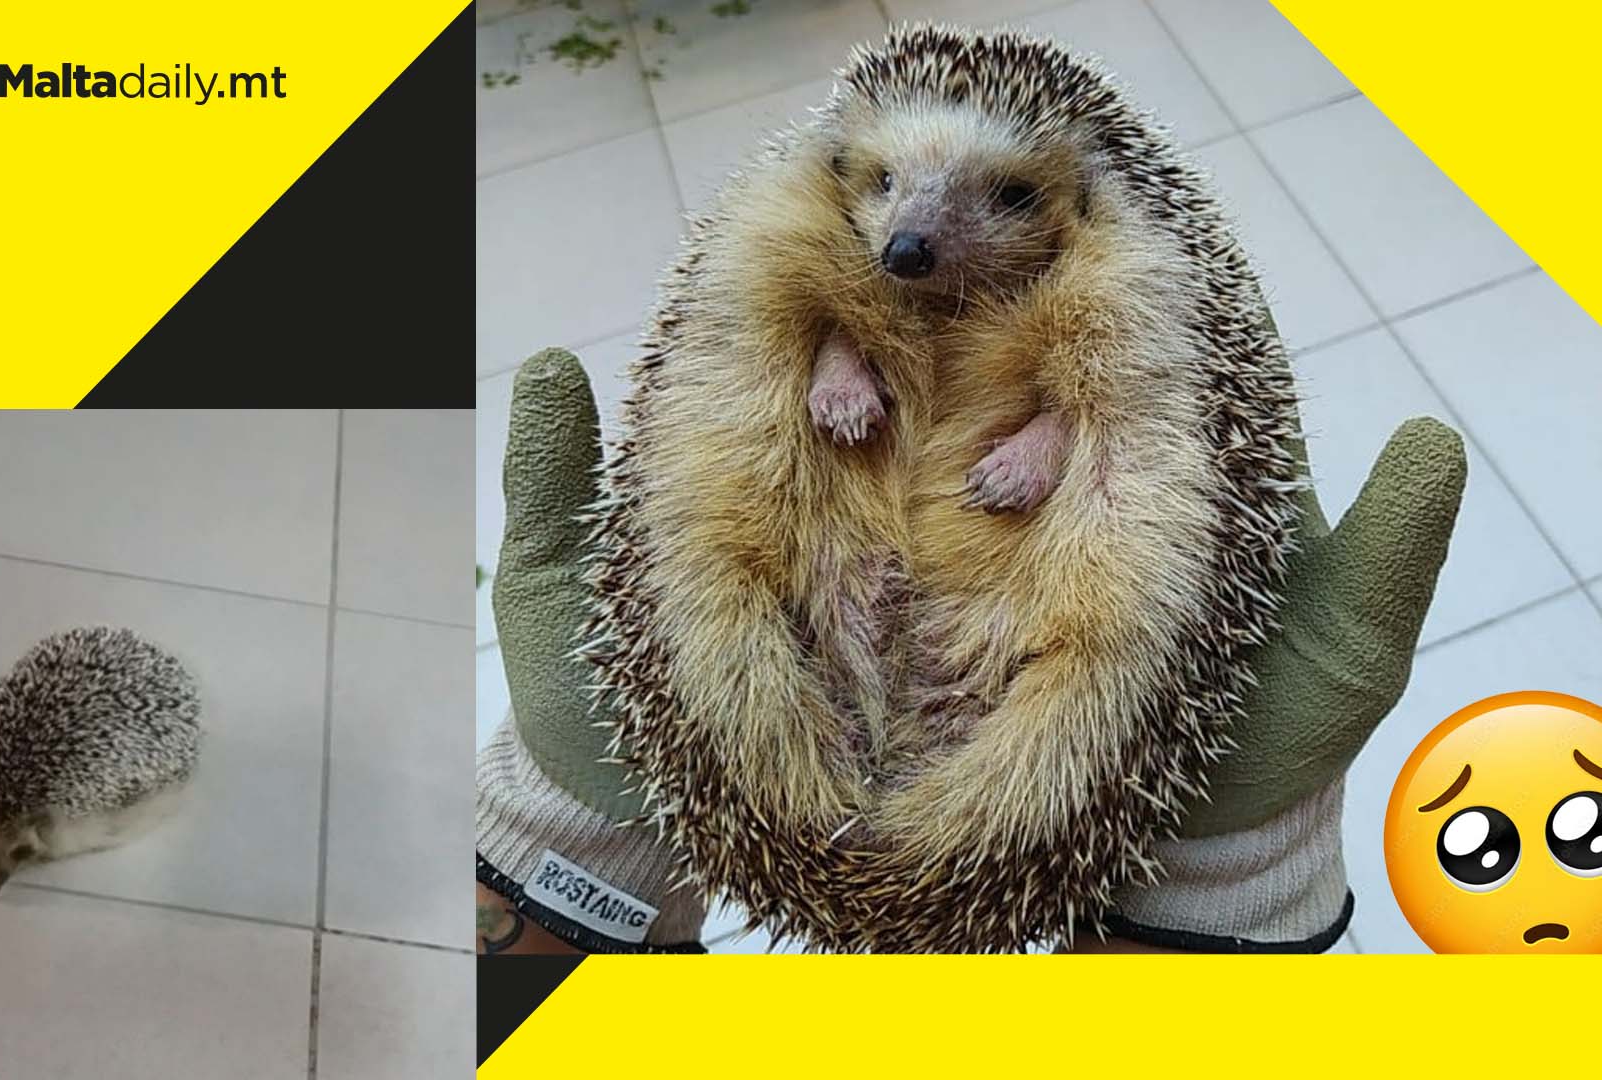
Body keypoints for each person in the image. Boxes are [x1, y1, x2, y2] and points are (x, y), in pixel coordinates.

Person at [477, 348, 1467, 954]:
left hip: (987, 679)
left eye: (1008, 200)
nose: (919, 242)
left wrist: (570, 835)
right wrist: (1225, 878)